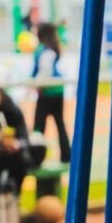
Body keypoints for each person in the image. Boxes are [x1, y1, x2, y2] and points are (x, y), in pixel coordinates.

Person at [32, 23, 71, 164]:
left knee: (39, 126)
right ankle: (66, 155)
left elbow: (45, 71)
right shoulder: (49, 49)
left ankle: (36, 157)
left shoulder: (45, 51)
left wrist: (37, 84)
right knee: (59, 123)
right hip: (56, 91)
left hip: (48, 92)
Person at [0, 82, 32, 196]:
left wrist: (17, 144)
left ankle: (12, 198)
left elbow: (24, 137)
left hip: (13, 157)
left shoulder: (11, 110)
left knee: (21, 161)